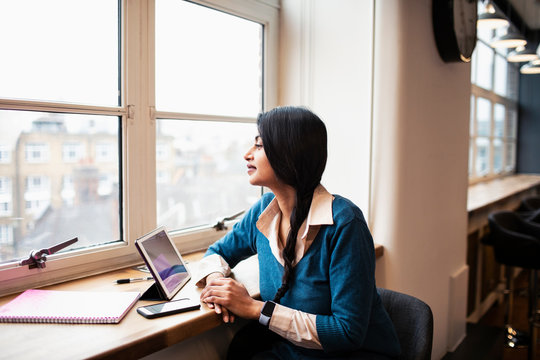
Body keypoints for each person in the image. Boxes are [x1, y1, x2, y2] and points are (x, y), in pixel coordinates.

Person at [196, 106, 401, 359]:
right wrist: (218, 285)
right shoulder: (263, 211)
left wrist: (253, 308)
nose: (247, 154)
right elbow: (217, 252)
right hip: (293, 351)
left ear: (288, 154)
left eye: (259, 146)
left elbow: (347, 332)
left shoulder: (345, 224)